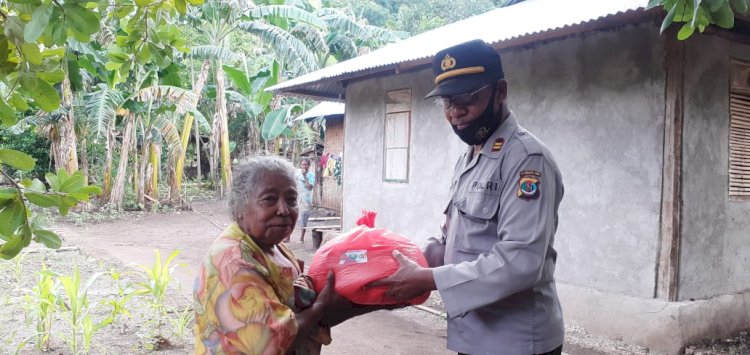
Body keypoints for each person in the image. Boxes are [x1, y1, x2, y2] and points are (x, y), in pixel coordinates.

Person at [371, 39, 565, 355]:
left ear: (500, 91)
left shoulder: (527, 159)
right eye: (447, 102)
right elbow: (460, 237)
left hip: (515, 341)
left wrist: (428, 278)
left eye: (466, 99)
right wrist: (424, 255)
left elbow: (521, 260)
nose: (456, 113)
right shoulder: (471, 157)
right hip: (475, 333)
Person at [194, 156, 376, 355]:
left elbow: (299, 301)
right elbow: (268, 340)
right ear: (241, 208)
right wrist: (321, 308)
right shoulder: (232, 260)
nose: (283, 209)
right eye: (269, 199)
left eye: (291, 199)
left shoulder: (274, 246)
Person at [295, 158, 315, 243]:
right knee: (292, 216)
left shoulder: (310, 175)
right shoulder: (297, 172)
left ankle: (301, 238)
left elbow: (309, 187)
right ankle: (287, 237)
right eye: (302, 164)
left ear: (309, 165)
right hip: (297, 197)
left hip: (306, 200)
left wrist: (304, 176)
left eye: (306, 164)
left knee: (303, 218)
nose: (304, 166)